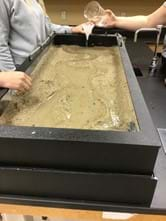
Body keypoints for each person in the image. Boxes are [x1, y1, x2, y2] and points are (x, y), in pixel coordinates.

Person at [0, 0, 84, 72]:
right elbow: (1, 43)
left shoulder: (36, 1)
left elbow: (47, 26)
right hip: (21, 66)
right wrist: (11, 73)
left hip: (39, 60)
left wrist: (72, 29)